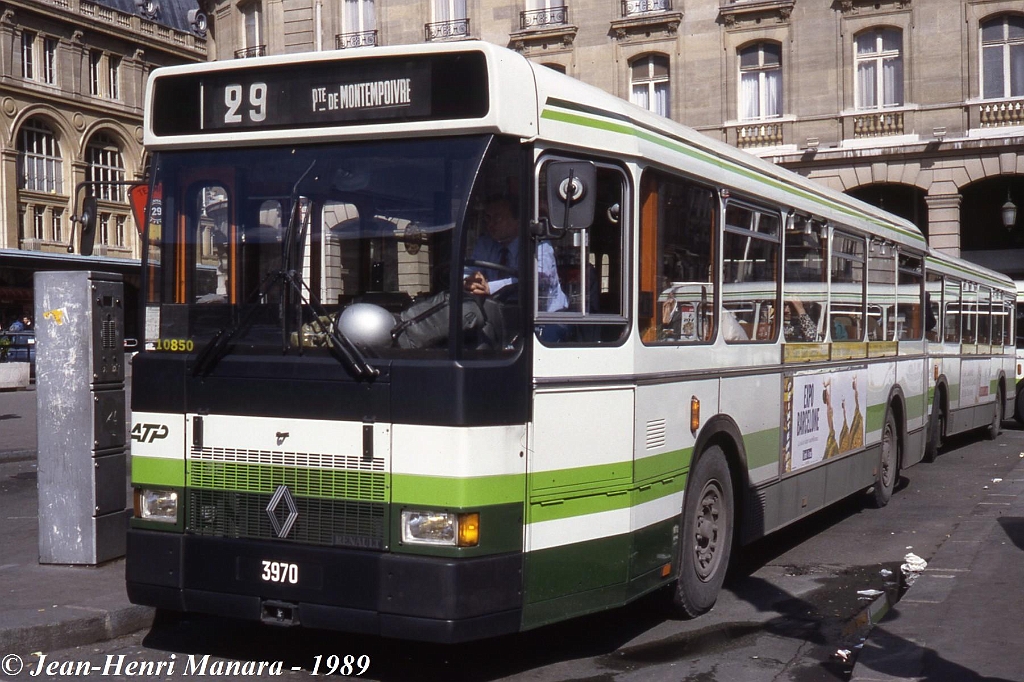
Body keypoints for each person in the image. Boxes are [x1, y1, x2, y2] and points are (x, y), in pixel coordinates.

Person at [464, 196, 568, 314]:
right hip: (498, 318)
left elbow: (537, 280)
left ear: (518, 221)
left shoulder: (539, 245)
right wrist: (470, 281)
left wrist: (490, 287)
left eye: (497, 218)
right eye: (488, 219)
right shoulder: (486, 243)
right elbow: (469, 271)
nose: (490, 224)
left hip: (543, 319)